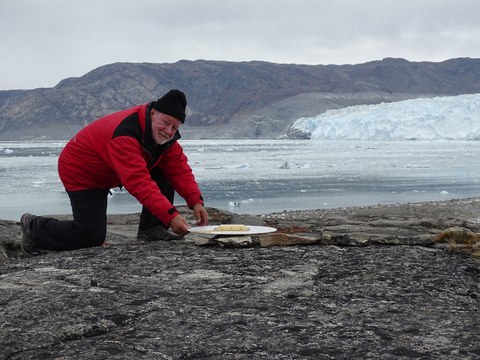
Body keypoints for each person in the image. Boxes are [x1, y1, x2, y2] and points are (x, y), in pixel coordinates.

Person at [20, 89, 209, 255]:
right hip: (82, 171)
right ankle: (34, 228)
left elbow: (179, 169)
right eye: (166, 123)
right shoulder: (125, 133)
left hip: (109, 170)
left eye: (174, 127)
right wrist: (171, 216)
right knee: (90, 236)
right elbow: (138, 181)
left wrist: (195, 202)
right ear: (153, 113)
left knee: (166, 168)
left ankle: (151, 229)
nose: (169, 131)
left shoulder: (165, 140)